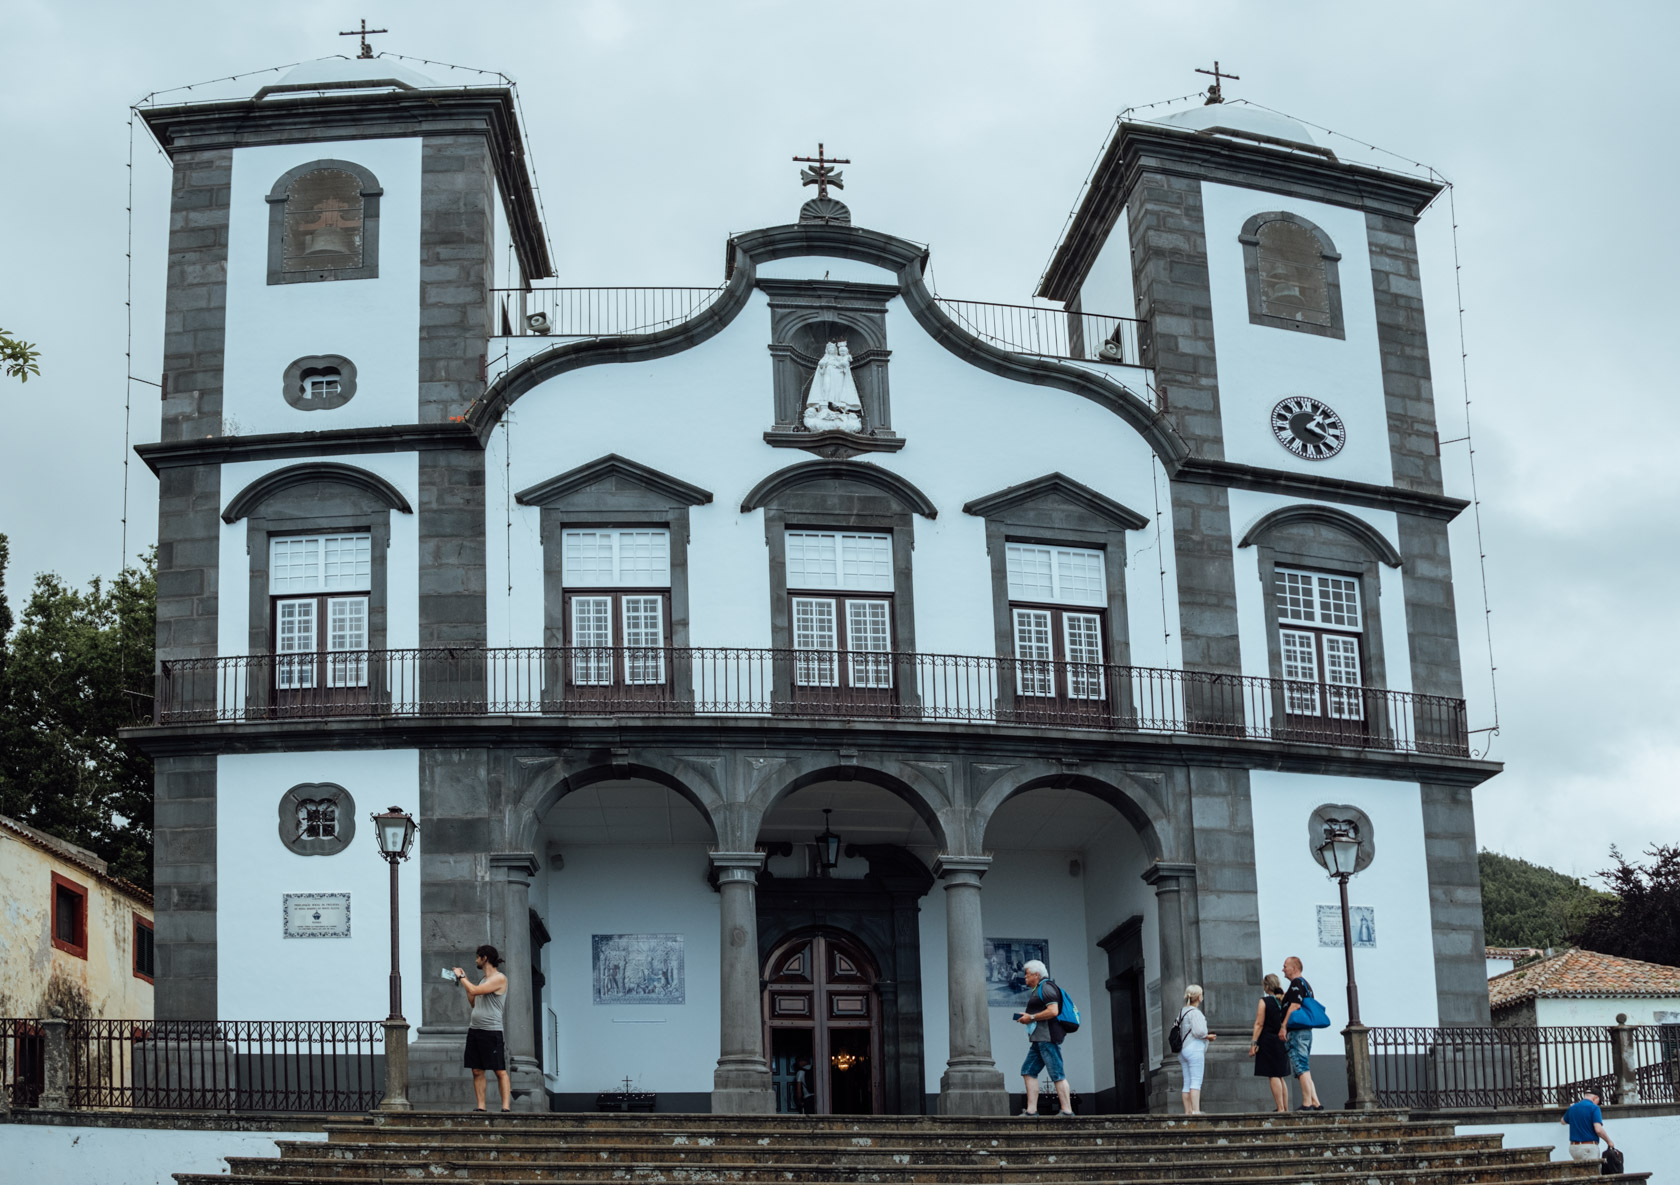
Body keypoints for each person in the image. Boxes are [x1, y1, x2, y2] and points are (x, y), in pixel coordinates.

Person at [452, 944, 511, 1113]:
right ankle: (481, 1106)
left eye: (478, 957)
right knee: (477, 1070)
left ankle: (505, 1107)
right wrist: (465, 982)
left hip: (492, 1031)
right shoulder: (482, 980)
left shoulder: (499, 978)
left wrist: (462, 977)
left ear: (485, 958)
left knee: (499, 1070)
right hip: (475, 1030)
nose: (476, 960)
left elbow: (475, 990)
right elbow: (473, 1001)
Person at [1015, 959, 1073, 1117]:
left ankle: (1067, 1111)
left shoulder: (1046, 988)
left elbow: (1053, 1011)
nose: (1025, 977)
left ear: (1036, 974)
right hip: (1039, 1040)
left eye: (1027, 974)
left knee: (1057, 1073)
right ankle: (1031, 1111)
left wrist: (1031, 1018)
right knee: (1028, 1070)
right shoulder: (1040, 989)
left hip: (1047, 1038)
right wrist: (1028, 1018)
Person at [1279, 956, 1324, 1111]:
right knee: (1304, 1066)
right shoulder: (1306, 984)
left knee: (1301, 1066)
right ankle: (1315, 1102)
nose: (1283, 969)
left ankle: (1307, 1103)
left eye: (1285, 966)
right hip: (1305, 1031)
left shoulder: (1297, 983)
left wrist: (1283, 1026)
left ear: (1295, 968)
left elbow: (1295, 1005)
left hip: (1297, 1032)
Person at [1248, 973, 1290, 1112]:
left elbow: (1259, 1023)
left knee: (1273, 1075)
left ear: (1266, 986)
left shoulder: (1264, 1001)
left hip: (1268, 1041)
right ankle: (1285, 1107)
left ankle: (1280, 1108)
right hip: (1282, 1041)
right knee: (1280, 1076)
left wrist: (1254, 1043)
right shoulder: (1284, 1001)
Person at [1176, 984, 1217, 1115]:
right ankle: (1196, 1111)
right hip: (1194, 1049)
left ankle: (1188, 1112)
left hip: (1183, 1049)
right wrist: (1208, 1036)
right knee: (1196, 1081)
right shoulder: (1195, 1013)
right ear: (1199, 997)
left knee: (1187, 1082)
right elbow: (1199, 1032)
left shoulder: (1182, 1011)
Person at [1560, 1090, 1616, 1162]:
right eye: (1598, 1102)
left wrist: (1570, 1110)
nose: (1597, 1104)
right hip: (1588, 1148)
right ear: (1595, 1098)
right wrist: (1609, 1141)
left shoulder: (1573, 1108)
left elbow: (1563, 1121)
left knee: (1580, 1172)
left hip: (1573, 1148)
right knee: (1593, 1172)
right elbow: (1598, 1130)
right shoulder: (1594, 1108)